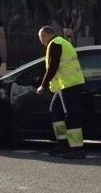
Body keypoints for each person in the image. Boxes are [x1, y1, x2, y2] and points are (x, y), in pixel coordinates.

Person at [37, 26, 86, 159]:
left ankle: (77, 149)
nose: (41, 41)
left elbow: (53, 66)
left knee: (71, 115)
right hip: (65, 84)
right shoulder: (62, 42)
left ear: (46, 35)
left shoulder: (56, 43)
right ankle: (62, 145)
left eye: (41, 38)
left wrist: (43, 85)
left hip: (69, 84)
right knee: (55, 110)